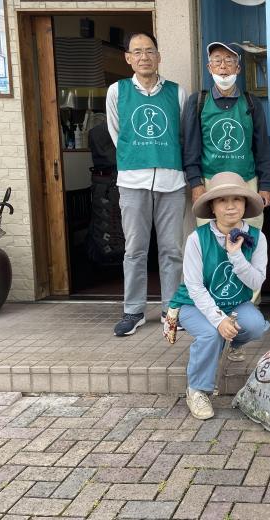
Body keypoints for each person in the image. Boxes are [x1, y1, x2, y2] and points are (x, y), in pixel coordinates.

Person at [168, 171, 269, 420]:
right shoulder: (197, 239)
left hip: (235, 302)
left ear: (246, 204)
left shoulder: (257, 238)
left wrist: (236, 255)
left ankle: (232, 343)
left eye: (237, 199)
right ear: (212, 206)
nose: (231, 206)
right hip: (194, 304)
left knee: (256, 325)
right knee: (211, 333)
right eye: (222, 200)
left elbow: (257, 281)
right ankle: (198, 390)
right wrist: (219, 320)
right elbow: (194, 287)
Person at [107, 31, 187, 337]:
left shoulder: (176, 92)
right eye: (137, 51)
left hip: (171, 181)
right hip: (132, 181)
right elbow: (118, 134)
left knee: (171, 249)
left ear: (158, 56)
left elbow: (181, 135)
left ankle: (170, 309)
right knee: (135, 249)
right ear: (128, 58)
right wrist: (137, 156)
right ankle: (134, 310)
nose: (144, 57)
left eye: (149, 51)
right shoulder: (118, 91)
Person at [183, 42, 270, 229]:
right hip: (210, 183)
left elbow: (262, 147)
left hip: (246, 182)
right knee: (211, 239)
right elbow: (190, 147)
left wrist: (265, 185)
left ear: (238, 68)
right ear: (209, 67)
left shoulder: (251, 103)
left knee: (249, 236)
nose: (223, 66)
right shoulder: (198, 101)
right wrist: (195, 183)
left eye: (229, 61)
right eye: (217, 61)